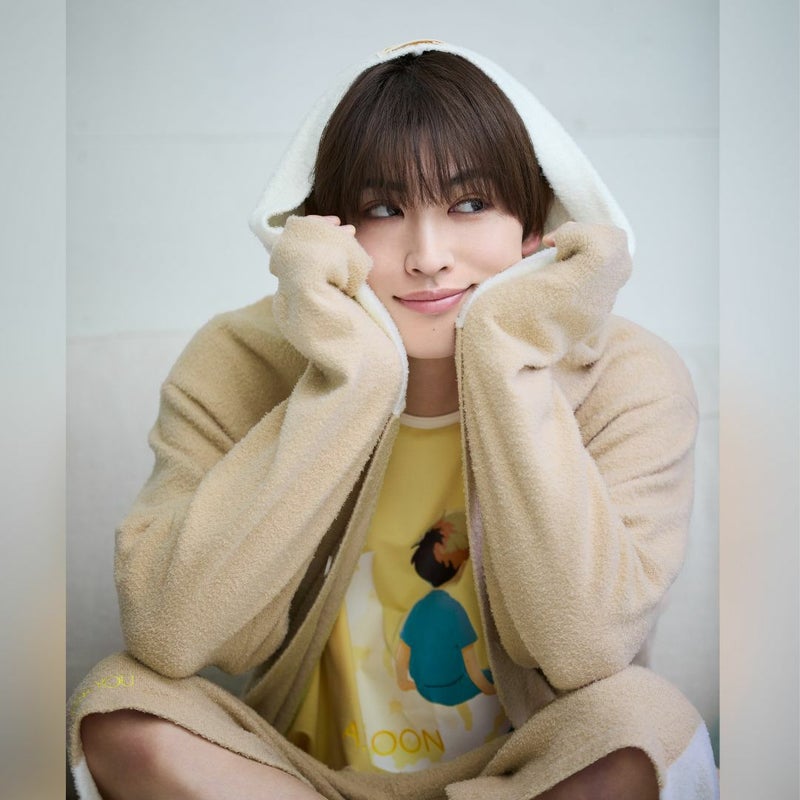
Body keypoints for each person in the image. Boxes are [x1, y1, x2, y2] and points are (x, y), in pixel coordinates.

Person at [68, 40, 719, 799]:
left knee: (647, 724)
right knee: (116, 702)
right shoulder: (237, 358)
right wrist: (350, 375)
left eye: (470, 204)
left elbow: (585, 647)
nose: (428, 256)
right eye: (384, 210)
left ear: (534, 226)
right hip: (289, 776)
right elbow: (170, 631)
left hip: (523, 774)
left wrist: (510, 358)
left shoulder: (630, 376)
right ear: (325, 230)